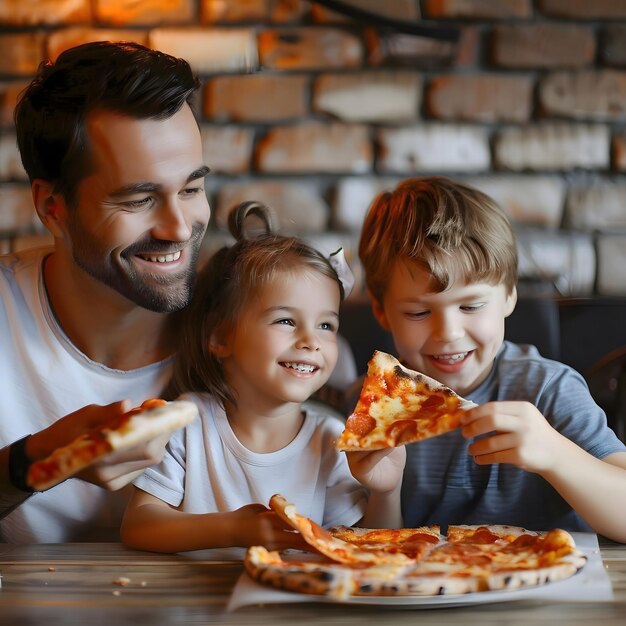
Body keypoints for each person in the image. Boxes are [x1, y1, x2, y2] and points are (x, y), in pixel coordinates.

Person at [0, 40, 212, 542]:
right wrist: (34, 461)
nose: (179, 228)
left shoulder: (261, 322)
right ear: (53, 207)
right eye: (140, 198)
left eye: (191, 189)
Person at [120, 202, 405, 553]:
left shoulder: (331, 442)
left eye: (326, 325)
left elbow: (372, 552)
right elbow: (138, 526)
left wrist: (387, 491)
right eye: (286, 321)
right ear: (221, 338)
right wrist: (233, 530)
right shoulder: (187, 423)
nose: (311, 342)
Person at [357, 176, 626, 543]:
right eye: (418, 313)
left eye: (471, 305)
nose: (448, 332)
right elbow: (369, 551)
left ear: (509, 297)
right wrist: (384, 492)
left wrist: (555, 454)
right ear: (381, 310)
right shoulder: (374, 405)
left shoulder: (548, 389)